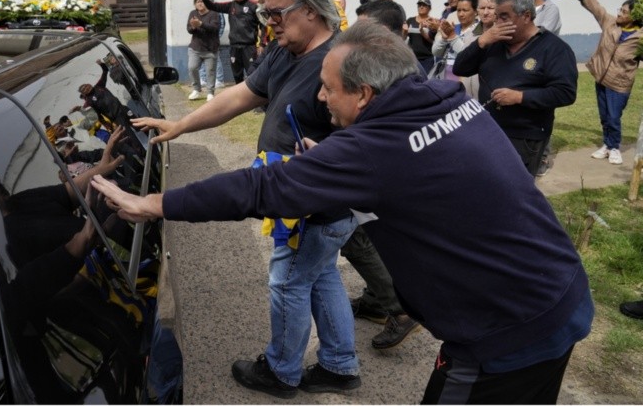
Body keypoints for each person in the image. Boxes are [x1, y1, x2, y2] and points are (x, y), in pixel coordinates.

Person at [92, 20, 593, 404]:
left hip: (507, 331)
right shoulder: (443, 97)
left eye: (329, 87)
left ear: (365, 94)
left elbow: (262, 187)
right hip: (558, 288)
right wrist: (336, 167)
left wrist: (157, 202)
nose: (319, 96)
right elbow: (414, 173)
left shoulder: (375, 149)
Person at [134, 0, 360, 399]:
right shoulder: (285, 49)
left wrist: (329, 161)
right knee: (321, 275)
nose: (268, 23)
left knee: (289, 282)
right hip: (298, 197)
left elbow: (370, 134)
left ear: (312, 9)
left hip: (314, 202)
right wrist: (181, 125)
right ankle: (339, 364)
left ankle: (281, 372)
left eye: (277, 14)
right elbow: (240, 95)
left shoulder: (343, 60)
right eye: (264, 15)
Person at [349, 0, 423, 349]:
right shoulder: (377, 63)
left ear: (396, 33)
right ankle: (377, 302)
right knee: (369, 237)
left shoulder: (403, 72)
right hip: (376, 165)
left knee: (357, 237)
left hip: (383, 170)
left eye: (369, 31)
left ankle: (399, 309)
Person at [453, 0, 578, 176]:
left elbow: (565, 92)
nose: (497, 23)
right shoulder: (493, 43)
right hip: (489, 130)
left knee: (516, 188)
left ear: (526, 16)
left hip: (526, 137)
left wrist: (520, 97)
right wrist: (481, 42)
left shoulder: (554, 49)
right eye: (497, 17)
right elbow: (460, 68)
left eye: (504, 17)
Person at [578, 0, 642, 165]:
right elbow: (595, 7)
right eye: (619, 10)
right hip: (602, 79)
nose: (620, 13)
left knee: (614, 117)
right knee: (605, 116)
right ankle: (606, 145)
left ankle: (614, 148)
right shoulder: (610, 23)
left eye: (624, 11)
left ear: (634, 16)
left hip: (620, 84)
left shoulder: (641, 37)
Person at [520, 0, 563, 175]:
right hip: (524, 68)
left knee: (543, 112)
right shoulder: (522, 10)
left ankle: (543, 156)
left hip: (543, 70)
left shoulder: (550, 9)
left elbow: (541, 33)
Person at [199, 0, 261, 84]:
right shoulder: (230, 6)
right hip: (234, 47)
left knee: (252, 75)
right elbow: (212, 6)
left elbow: (263, 25)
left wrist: (261, 44)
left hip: (249, 47)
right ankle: (241, 98)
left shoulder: (253, 6)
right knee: (237, 76)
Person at [431, 0, 480, 84]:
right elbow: (436, 52)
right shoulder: (453, 28)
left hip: (466, 78)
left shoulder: (478, 31)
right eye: (458, 10)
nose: (461, 14)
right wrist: (444, 39)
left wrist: (453, 37)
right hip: (446, 75)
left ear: (476, 11)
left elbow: (468, 55)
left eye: (465, 10)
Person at [187, 0, 221, 101]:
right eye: (198, 2)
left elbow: (214, 28)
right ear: (195, 4)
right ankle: (196, 89)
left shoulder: (214, 14)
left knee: (210, 71)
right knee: (192, 68)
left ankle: (210, 92)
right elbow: (189, 29)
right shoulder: (193, 13)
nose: (200, 3)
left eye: (202, 1)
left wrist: (200, 24)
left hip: (210, 49)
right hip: (195, 47)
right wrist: (193, 26)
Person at [76, 59, 125, 131]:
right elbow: (96, 115)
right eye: (84, 89)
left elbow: (105, 71)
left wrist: (101, 64)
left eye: (86, 85)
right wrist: (105, 123)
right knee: (129, 134)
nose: (86, 87)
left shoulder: (99, 86)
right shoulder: (88, 102)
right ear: (83, 94)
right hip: (116, 117)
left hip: (122, 108)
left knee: (140, 123)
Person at [198, 0, 226, 90]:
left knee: (216, 59)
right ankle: (203, 79)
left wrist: (217, 36)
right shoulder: (199, 6)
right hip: (202, 38)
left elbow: (222, 23)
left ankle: (219, 80)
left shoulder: (215, 6)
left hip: (213, 39)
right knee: (201, 57)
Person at [406, 0, 437, 73]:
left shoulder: (432, 22)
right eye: (419, 5)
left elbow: (434, 41)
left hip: (427, 59)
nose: (421, 7)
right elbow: (403, 37)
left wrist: (422, 31)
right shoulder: (410, 20)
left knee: (424, 80)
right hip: (412, 58)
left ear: (429, 8)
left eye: (424, 5)